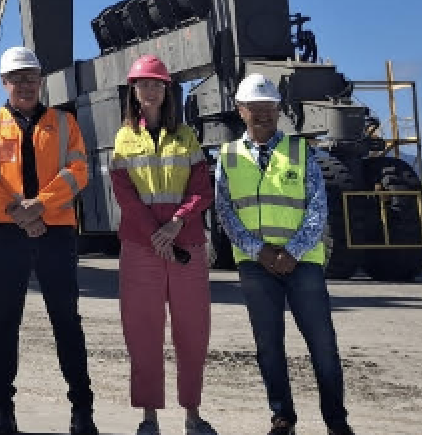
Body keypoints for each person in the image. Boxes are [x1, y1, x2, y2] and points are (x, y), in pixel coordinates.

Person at [0, 45, 97, 435]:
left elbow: (78, 170)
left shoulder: (64, 121)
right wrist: (17, 213)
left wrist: (38, 206)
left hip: (54, 231)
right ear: (4, 83)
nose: (24, 84)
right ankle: (2, 411)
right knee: (4, 321)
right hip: (7, 232)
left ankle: (82, 411)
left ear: (40, 81)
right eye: (17, 78)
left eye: (30, 77)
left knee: (66, 321)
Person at [216, 73, 357, 435]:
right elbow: (225, 211)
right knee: (269, 346)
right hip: (255, 265)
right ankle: (282, 418)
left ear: (279, 111)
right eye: (255, 108)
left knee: (322, 345)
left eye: (270, 109)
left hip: (302, 262)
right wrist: (258, 251)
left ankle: (336, 422)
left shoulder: (300, 151)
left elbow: (317, 207)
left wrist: (292, 252)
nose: (263, 115)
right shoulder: (228, 156)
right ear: (240, 110)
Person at [110, 55, 217, 435]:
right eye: (143, 84)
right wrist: (155, 233)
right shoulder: (123, 139)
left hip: (184, 242)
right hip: (142, 248)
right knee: (142, 331)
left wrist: (174, 224)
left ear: (166, 90)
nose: (150, 90)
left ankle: (192, 413)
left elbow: (202, 190)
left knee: (193, 330)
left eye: (156, 83)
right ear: (134, 92)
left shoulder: (186, 137)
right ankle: (149, 416)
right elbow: (125, 196)